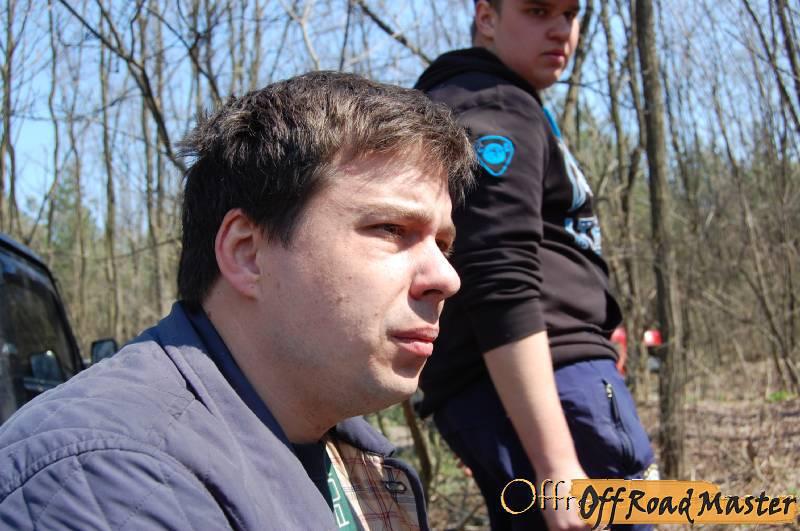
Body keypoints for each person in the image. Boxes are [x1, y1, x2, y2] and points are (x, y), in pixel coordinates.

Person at [0, 71, 475, 530]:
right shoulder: (109, 481)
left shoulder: (351, 456)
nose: (446, 277)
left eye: (443, 245)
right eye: (392, 229)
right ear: (247, 254)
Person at [414, 1, 657, 529]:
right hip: (553, 392)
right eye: (538, 10)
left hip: (532, 391)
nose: (561, 30)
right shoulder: (493, 101)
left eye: (571, 13)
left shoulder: (483, 100)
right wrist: (557, 466)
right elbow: (499, 275)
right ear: (487, 18)